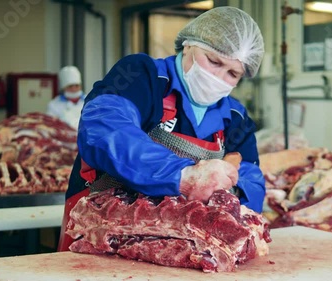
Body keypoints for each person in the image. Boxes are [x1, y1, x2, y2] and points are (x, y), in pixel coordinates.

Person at [58, 6, 266, 251]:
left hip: (185, 249)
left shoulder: (235, 117)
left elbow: (252, 181)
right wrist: (183, 176)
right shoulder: (141, 75)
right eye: (213, 61)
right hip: (102, 234)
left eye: (233, 73)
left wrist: (228, 192)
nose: (219, 77)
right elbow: (103, 131)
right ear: (188, 44)